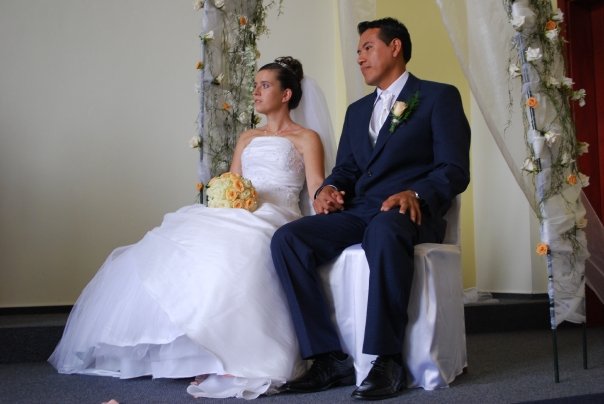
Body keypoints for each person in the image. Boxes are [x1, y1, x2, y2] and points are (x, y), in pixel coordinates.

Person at [49, 56, 336, 400]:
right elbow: (232, 180)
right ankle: (197, 347)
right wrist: (227, 196)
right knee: (189, 245)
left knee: (241, 253)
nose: (256, 92)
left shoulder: (306, 138)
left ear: (286, 94)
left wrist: (327, 202)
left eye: (265, 86)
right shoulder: (247, 137)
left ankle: (235, 353)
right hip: (238, 211)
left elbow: (316, 185)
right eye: (255, 86)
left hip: (278, 213)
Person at [271, 18, 471, 400]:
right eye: (357, 51)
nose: (360, 58)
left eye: (367, 48)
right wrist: (328, 189)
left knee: (384, 228)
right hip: (359, 211)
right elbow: (346, 169)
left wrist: (416, 193)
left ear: (395, 47)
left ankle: (387, 360)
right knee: (288, 239)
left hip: (407, 213)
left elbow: (454, 169)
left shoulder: (438, 97)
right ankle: (328, 358)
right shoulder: (357, 111)